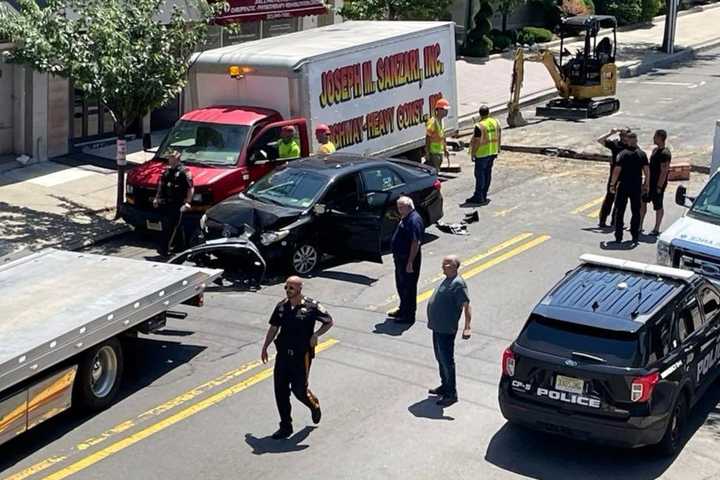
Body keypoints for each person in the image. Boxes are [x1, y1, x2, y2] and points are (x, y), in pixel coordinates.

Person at [261, 276, 334, 440]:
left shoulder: (312, 306)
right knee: (280, 391)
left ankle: (313, 405)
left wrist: (316, 334)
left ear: (299, 289)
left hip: (302, 356)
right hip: (283, 355)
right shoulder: (281, 307)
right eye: (286, 288)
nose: (288, 291)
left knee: (299, 390)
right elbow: (274, 327)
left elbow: (329, 322)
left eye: (291, 288)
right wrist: (265, 346)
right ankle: (285, 426)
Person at [427, 255, 472, 407]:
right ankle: (444, 386)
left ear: (454, 266)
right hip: (437, 327)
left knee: (447, 361)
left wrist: (467, 327)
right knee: (440, 359)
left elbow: (466, 305)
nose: (443, 265)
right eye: (443, 262)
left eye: (446, 263)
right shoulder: (446, 280)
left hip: (446, 329)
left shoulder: (458, 284)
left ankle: (451, 394)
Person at [388, 196, 424, 325]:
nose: (399, 210)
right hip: (400, 259)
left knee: (408, 288)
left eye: (401, 207)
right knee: (401, 285)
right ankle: (403, 309)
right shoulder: (406, 217)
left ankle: (408, 316)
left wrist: (410, 262)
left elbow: (415, 243)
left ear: (408, 206)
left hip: (408, 260)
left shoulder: (414, 220)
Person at [609, 132, 650, 245]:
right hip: (636, 186)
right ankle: (635, 235)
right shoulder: (642, 154)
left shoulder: (622, 154)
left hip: (623, 185)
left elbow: (617, 171)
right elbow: (647, 171)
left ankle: (618, 236)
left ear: (628, 141)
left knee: (619, 211)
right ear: (636, 141)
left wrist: (612, 185)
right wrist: (647, 185)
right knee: (636, 211)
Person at [152, 150, 193, 256]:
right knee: (171, 225)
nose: (170, 160)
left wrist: (188, 202)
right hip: (167, 203)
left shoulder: (185, 171)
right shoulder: (166, 172)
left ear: (178, 159)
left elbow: (190, 188)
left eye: (172, 158)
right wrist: (157, 198)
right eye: (169, 158)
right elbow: (161, 186)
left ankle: (164, 249)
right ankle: (179, 246)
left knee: (172, 226)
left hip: (178, 203)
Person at [596, 127, 630, 228]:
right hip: (614, 176)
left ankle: (615, 221)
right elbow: (600, 140)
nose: (626, 137)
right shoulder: (615, 145)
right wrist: (610, 133)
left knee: (620, 200)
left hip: (625, 177)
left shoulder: (631, 147)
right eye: (623, 135)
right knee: (609, 198)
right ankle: (603, 220)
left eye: (627, 135)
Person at [467, 105, 501, 205]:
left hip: (482, 154)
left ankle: (478, 196)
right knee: (487, 173)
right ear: (488, 113)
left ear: (480, 114)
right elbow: (499, 136)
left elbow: (477, 142)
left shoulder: (479, 126)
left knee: (480, 175)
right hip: (492, 152)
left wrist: (473, 153)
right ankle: (484, 194)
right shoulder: (495, 122)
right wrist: (498, 148)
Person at [641, 129, 672, 235]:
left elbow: (664, 171)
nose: (653, 138)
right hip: (649, 182)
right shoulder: (655, 150)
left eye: (655, 136)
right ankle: (639, 225)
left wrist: (659, 187)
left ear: (660, 137)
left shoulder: (665, 153)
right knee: (643, 202)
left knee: (658, 206)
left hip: (657, 184)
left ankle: (656, 228)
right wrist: (646, 182)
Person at [425, 98, 450, 169]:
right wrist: (427, 152)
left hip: (439, 151)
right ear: (439, 110)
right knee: (435, 171)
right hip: (433, 153)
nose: (446, 111)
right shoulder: (433, 122)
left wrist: (445, 149)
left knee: (437, 170)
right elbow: (427, 137)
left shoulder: (441, 121)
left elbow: (443, 136)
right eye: (445, 109)